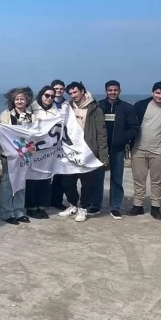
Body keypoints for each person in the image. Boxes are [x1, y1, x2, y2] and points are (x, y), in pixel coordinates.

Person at [58, 82, 108, 223]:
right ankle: (73, 204)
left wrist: (103, 156)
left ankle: (84, 208)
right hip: (70, 152)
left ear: (82, 91)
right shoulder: (67, 108)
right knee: (68, 182)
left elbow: (102, 134)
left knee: (88, 183)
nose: (73, 95)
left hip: (88, 152)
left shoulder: (95, 109)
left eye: (75, 92)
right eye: (70, 93)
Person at [128, 81, 161, 219]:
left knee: (157, 181)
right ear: (152, 92)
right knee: (138, 179)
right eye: (157, 93)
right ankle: (138, 205)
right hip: (138, 149)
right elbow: (130, 123)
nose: (160, 96)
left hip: (159, 150)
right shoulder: (140, 105)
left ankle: (155, 207)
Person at [97, 80, 140, 219]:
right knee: (97, 178)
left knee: (116, 178)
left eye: (115, 90)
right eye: (110, 90)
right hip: (100, 149)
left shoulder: (127, 108)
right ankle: (95, 204)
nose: (113, 92)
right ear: (106, 91)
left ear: (119, 91)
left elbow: (134, 127)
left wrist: (122, 138)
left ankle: (115, 207)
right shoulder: (98, 106)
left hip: (118, 149)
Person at [0, 87, 33, 225]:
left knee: (21, 182)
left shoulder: (31, 115)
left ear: (26, 100)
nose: (19, 101)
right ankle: (7, 212)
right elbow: (4, 133)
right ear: (13, 101)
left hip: (24, 154)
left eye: (22, 99)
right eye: (17, 99)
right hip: (9, 154)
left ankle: (19, 211)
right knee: (7, 183)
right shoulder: (5, 115)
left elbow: (34, 133)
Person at [26, 85, 61, 219]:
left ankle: (42, 206)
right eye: (47, 95)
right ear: (41, 95)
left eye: (52, 96)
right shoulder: (32, 108)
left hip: (48, 150)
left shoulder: (56, 112)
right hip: (34, 149)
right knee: (31, 179)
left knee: (45, 178)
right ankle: (31, 208)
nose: (49, 98)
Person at [48, 79, 69, 209]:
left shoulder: (68, 104)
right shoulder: (46, 103)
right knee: (45, 172)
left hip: (62, 143)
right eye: (56, 89)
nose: (59, 91)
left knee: (60, 174)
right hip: (48, 142)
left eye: (61, 88)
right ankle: (45, 200)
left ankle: (57, 201)